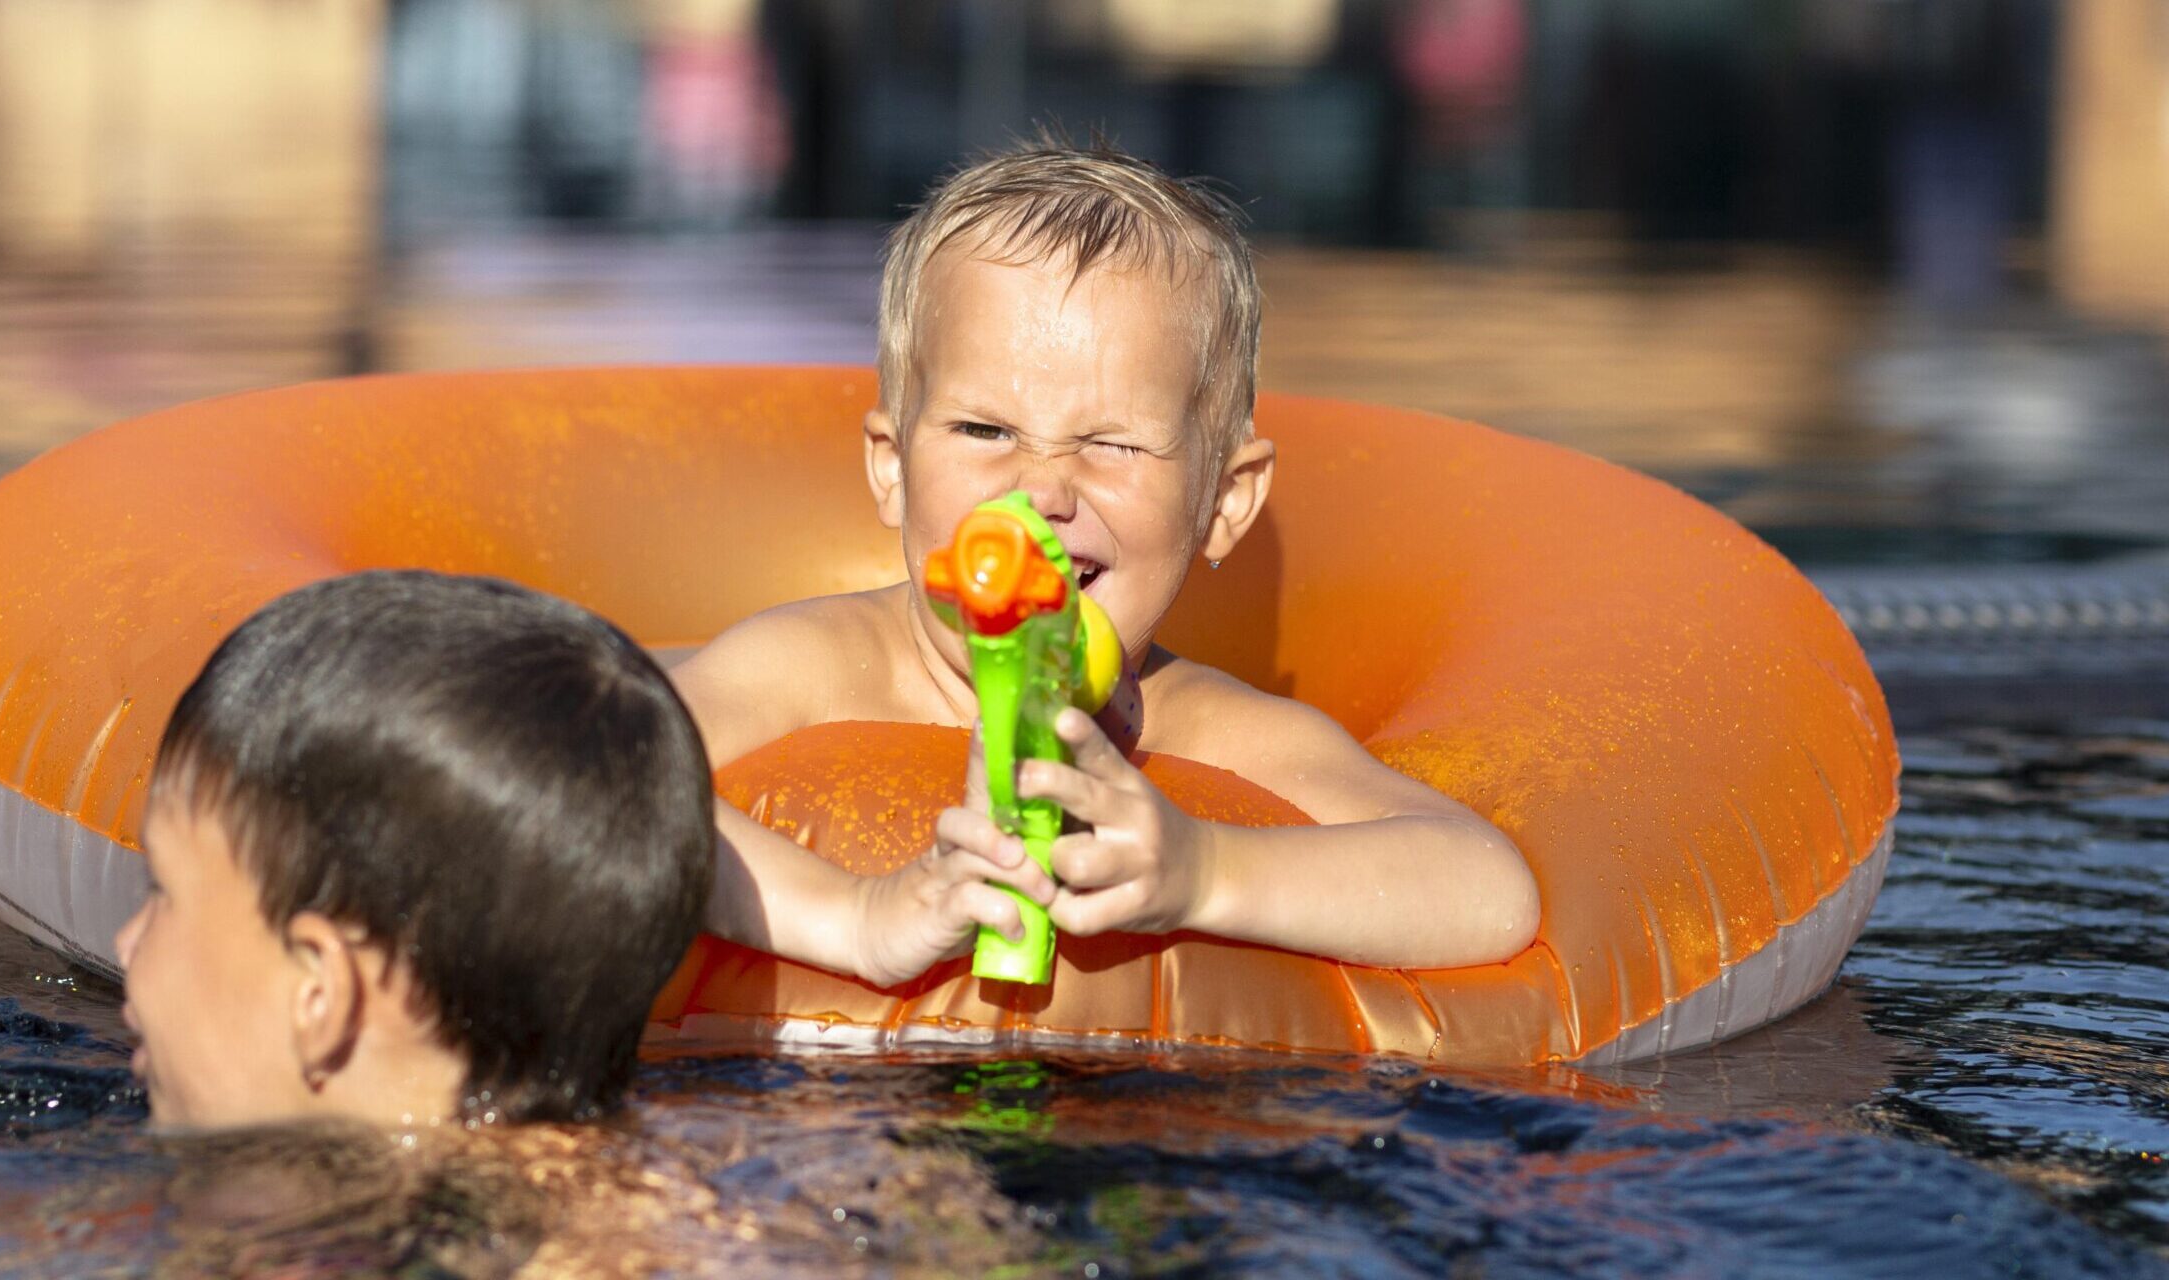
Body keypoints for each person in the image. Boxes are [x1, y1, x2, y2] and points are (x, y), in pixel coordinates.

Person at [675, 142, 1539, 987]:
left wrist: (1206, 869)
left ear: (1226, 500)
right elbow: (594, 773)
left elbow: (1486, 888)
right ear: (892, 468)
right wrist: (857, 919)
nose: (1043, 489)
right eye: (985, 431)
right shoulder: (809, 669)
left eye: (1113, 443)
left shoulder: (1211, 733)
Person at [114, 570, 714, 1131]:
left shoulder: (296, 1231)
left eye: (161, 891)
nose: (125, 942)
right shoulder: (653, 1208)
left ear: (319, 993)